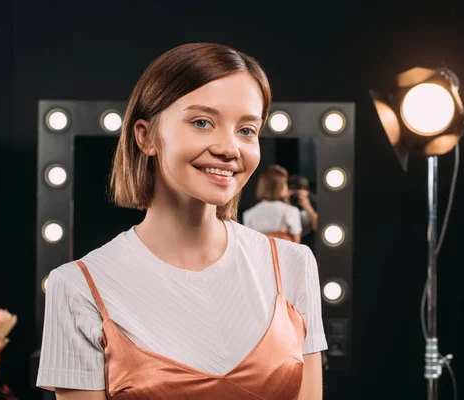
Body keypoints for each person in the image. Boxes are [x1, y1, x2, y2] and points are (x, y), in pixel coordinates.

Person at [36, 42, 327, 400]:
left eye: (247, 130)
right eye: (202, 122)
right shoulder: (78, 288)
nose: (230, 148)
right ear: (145, 136)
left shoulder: (293, 264)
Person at [242, 164, 302, 243]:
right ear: (280, 186)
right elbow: (297, 243)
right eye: (285, 183)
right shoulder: (291, 211)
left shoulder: (248, 214)